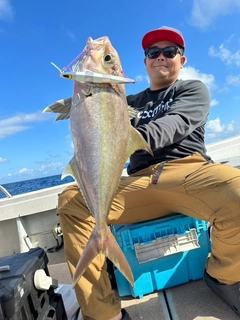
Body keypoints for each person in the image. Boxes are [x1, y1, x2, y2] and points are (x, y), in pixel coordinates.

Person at [57, 26, 240, 320]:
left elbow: (175, 124)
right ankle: (103, 314)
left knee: (238, 189)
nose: (161, 57)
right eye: (153, 53)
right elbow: (92, 117)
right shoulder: (126, 99)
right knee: (71, 201)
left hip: (188, 173)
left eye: (170, 52)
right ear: (145, 62)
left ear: (182, 60)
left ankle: (223, 277)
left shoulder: (192, 90)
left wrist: (125, 138)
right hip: (138, 182)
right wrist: (78, 100)